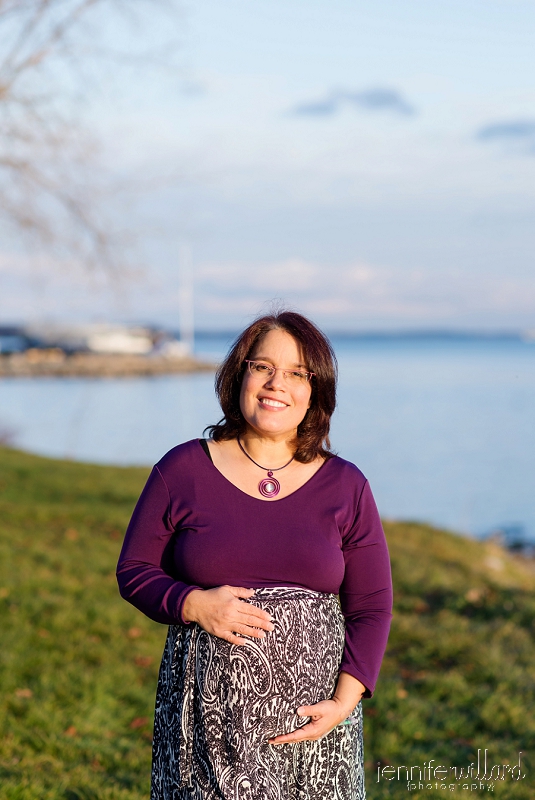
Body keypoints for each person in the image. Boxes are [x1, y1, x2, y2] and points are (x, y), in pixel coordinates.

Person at [117, 310, 393, 800]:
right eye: (262, 366)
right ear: (239, 376)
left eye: (296, 373)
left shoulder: (346, 485)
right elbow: (134, 571)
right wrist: (192, 604)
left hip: (315, 730)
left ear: (315, 392)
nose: (276, 383)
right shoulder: (183, 468)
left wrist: (344, 703)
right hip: (204, 727)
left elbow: (371, 606)